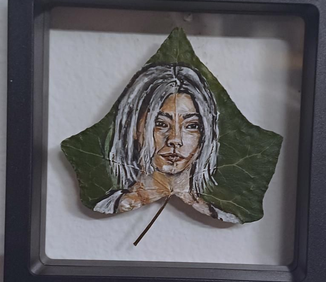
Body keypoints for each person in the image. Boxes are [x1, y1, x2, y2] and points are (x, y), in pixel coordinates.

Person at [94, 63, 239, 223]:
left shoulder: (222, 218)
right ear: (134, 128)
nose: (175, 139)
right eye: (160, 124)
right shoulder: (105, 208)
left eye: (191, 126)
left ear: (205, 134)